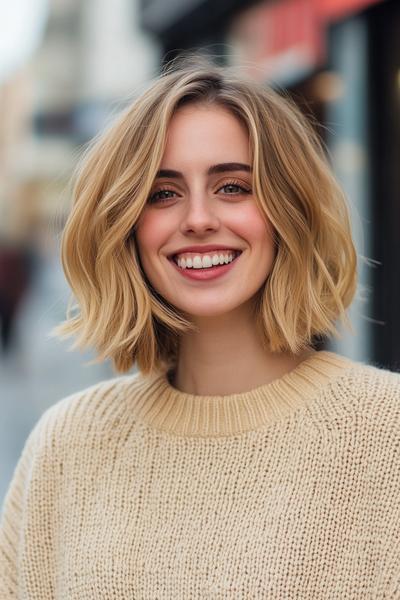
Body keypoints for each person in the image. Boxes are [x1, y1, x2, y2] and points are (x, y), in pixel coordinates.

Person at [0, 57, 399, 599]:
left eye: (233, 187)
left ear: (289, 209)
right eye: (162, 194)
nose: (197, 218)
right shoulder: (66, 444)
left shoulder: (384, 432)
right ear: (127, 227)